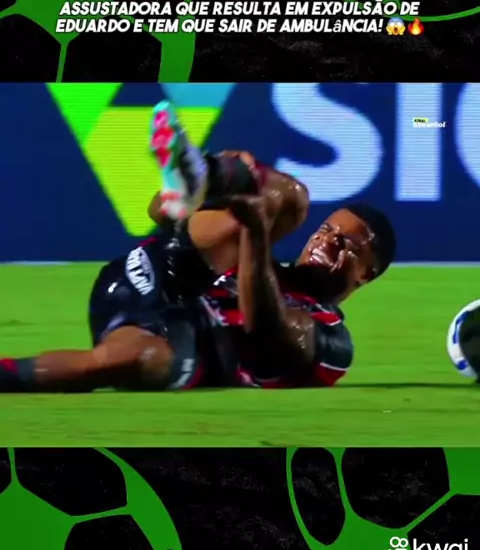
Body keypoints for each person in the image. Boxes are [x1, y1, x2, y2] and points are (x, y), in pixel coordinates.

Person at [0, 102, 396, 393]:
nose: (326, 241)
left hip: (180, 340)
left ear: (367, 273)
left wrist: (254, 233)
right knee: (291, 196)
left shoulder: (334, 341)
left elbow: (265, 327)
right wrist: (235, 212)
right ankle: (200, 177)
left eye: (345, 244)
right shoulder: (255, 255)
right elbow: (157, 213)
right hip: (162, 273)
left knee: (137, 359)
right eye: (326, 230)